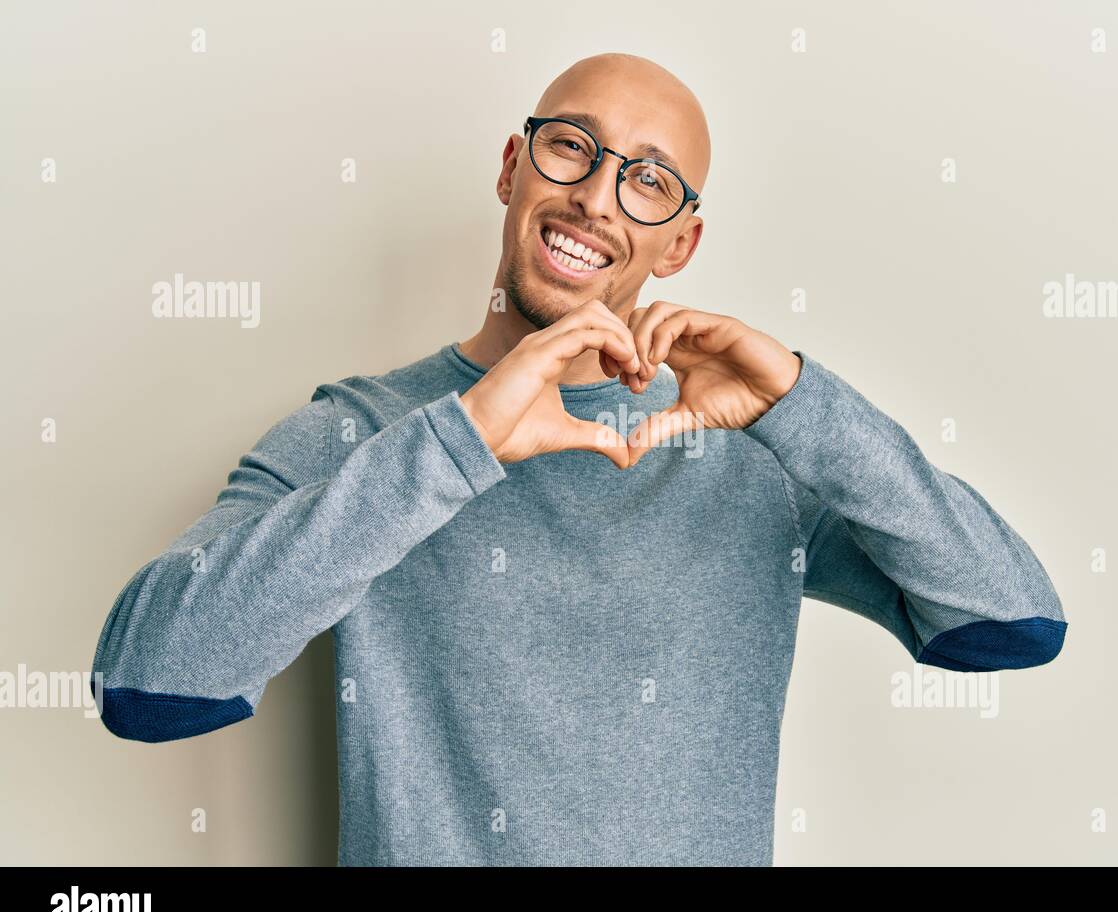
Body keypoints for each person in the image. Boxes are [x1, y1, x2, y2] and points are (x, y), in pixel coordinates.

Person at [90, 53, 1068, 866]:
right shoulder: (364, 431)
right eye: (573, 148)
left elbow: (1009, 621)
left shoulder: (748, 453)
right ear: (514, 165)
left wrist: (806, 405)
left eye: (645, 178)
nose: (596, 197)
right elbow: (150, 684)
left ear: (679, 243)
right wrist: (456, 444)